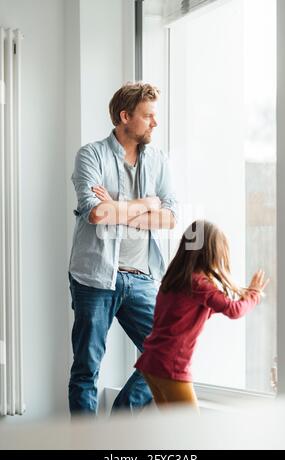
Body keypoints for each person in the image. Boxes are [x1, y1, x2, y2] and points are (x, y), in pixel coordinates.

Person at [68, 82, 177, 415]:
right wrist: (144, 204)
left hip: (142, 277)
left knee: (166, 353)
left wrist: (119, 207)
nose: (154, 123)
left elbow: (170, 217)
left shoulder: (158, 159)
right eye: (148, 116)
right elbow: (96, 212)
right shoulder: (91, 154)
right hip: (95, 278)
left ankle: (120, 421)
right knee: (87, 368)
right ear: (124, 116)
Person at [134, 220, 269, 409]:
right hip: (170, 365)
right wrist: (253, 295)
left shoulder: (174, 280)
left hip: (150, 363)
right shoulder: (198, 284)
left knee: (174, 428)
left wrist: (241, 295)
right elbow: (234, 311)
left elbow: (189, 313)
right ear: (210, 252)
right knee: (192, 430)